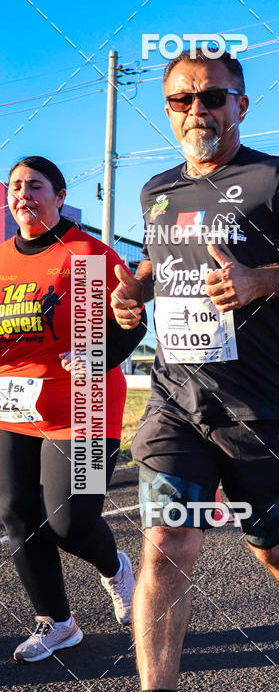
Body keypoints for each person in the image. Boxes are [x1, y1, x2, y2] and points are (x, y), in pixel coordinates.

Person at [79, 50, 279, 692]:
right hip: (176, 398)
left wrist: (261, 279)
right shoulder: (157, 190)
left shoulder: (275, 178)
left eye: (211, 97)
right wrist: (133, 293)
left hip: (257, 407)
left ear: (241, 104)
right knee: (166, 544)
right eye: (181, 100)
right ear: (167, 109)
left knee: (272, 545)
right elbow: (159, 266)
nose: (196, 111)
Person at [1, 156, 146, 662]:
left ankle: (116, 568)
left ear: (60, 197)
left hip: (84, 405)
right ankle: (57, 623)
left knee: (69, 523)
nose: (23, 194)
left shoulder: (88, 254)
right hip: (14, 405)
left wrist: (96, 357)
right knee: (17, 514)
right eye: (15, 186)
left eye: (35, 186)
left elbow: (133, 322)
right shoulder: (1, 259)